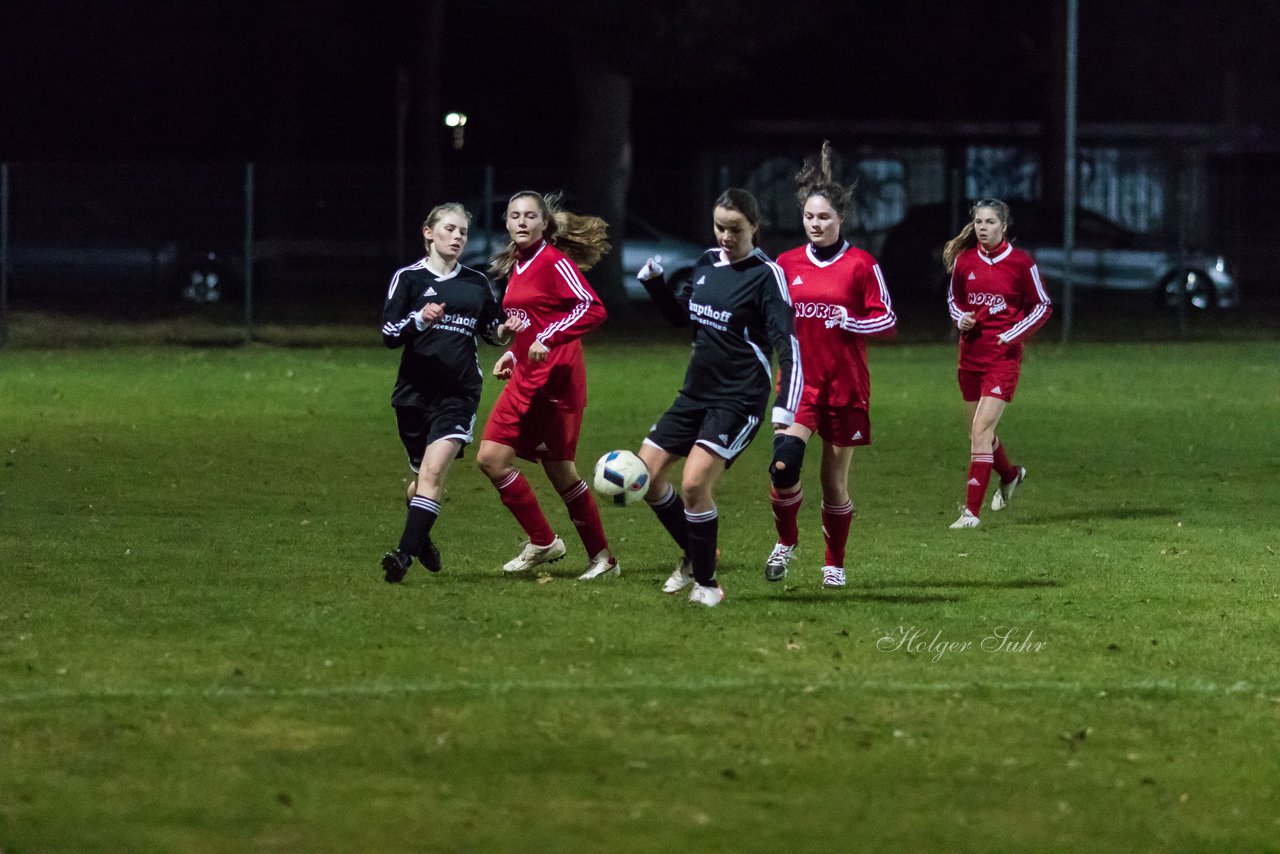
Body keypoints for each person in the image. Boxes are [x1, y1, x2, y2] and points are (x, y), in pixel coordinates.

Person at [635, 188, 802, 607]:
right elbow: (682, 317)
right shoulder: (707, 262)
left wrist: (786, 403)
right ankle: (696, 553)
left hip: (739, 398)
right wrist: (655, 286)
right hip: (695, 393)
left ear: (754, 228)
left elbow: (788, 343)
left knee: (693, 484)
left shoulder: (767, 275)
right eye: (719, 227)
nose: (725, 236)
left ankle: (708, 584)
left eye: (735, 229)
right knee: (647, 478)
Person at [766, 142, 897, 588]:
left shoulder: (862, 265)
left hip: (846, 387)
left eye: (824, 217)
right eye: (809, 217)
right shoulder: (786, 264)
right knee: (783, 469)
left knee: (833, 485)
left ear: (841, 219)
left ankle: (834, 563)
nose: (816, 224)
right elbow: (769, 317)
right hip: (798, 385)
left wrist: (853, 320)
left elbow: (888, 319)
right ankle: (786, 543)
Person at [475, 191, 619, 580]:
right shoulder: (518, 266)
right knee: (496, 458)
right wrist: (516, 353)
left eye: (529, 216)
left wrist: (548, 339)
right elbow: (533, 320)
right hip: (529, 376)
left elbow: (592, 306)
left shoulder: (554, 261)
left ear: (544, 224)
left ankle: (600, 558)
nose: (521, 222)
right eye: (514, 215)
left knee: (557, 470)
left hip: (557, 379)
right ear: (506, 222)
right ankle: (545, 540)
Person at [380, 202, 516, 583]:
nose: (458, 237)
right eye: (450, 229)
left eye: (463, 232)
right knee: (422, 480)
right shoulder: (407, 279)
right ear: (429, 233)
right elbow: (389, 335)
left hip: (458, 392)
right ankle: (420, 537)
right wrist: (420, 318)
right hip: (412, 395)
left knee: (435, 470)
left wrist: (506, 329)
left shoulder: (475, 283)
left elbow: (491, 328)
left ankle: (403, 556)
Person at [943, 198, 1052, 529]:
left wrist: (1012, 334)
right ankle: (1010, 474)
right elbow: (954, 300)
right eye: (978, 222)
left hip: (1002, 360)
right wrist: (960, 317)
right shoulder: (965, 262)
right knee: (979, 433)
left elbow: (1043, 306)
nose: (983, 228)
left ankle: (971, 512)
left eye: (990, 222)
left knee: (981, 429)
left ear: (1004, 226)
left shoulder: (1021, 264)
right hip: (970, 356)